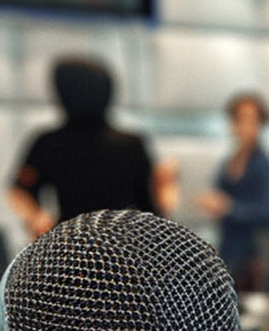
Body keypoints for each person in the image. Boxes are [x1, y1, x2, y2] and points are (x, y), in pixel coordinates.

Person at [9, 56, 167, 237]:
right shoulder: (131, 143)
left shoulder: (49, 142)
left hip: (68, 243)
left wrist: (36, 218)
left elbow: (19, 191)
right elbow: (149, 208)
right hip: (121, 245)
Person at [198, 91, 269, 291]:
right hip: (230, 252)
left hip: (254, 256)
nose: (244, 126)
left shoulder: (263, 164)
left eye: (251, 120)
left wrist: (230, 208)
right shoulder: (229, 161)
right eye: (239, 119)